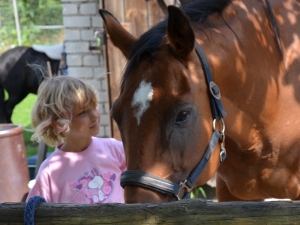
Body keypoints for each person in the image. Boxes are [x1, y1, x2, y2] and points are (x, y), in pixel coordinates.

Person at [26, 76, 126, 204]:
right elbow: (36, 214)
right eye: (83, 112)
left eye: (94, 106)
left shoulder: (115, 150)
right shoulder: (50, 172)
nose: (95, 116)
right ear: (58, 124)